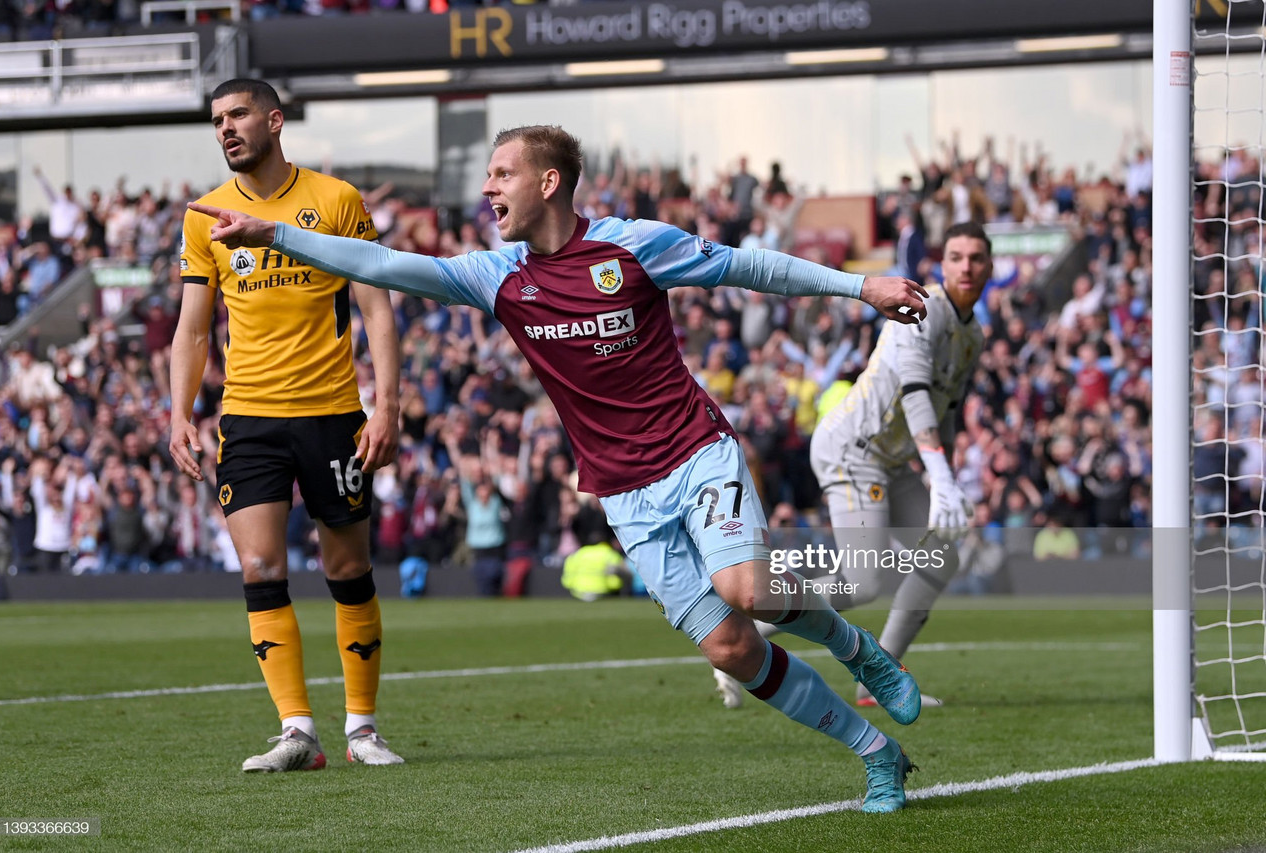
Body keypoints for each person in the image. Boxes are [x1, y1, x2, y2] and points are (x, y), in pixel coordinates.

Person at [188, 125, 930, 812]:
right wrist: (277, 233)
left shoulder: (634, 247)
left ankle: (854, 648)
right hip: (625, 491)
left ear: (549, 181)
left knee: (748, 589)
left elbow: (749, 267)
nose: (488, 189)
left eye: (501, 173)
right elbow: (382, 264)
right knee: (732, 648)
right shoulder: (497, 274)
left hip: (696, 451)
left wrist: (861, 286)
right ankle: (876, 753)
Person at [169, 78, 404, 773]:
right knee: (260, 565)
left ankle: (363, 726)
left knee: (348, 565)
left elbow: (378, 306)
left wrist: (386, 403)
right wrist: (178, 414)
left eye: (237, 115)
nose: (225, 129)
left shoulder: (335, 200)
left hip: (332, 413)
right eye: (216, 120)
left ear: (274, 120)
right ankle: (297, 730)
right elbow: (191, 328)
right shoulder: (202, 214)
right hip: (247, 418)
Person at [776, 221, 990, 710]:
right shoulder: (925, 309)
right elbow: (916, 395)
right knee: (862, 582)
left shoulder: (972, 334)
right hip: (853, 449)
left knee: (943, 554)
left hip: (891, 461)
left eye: (976, 258)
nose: (967, 266)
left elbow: (947, 414)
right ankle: (751, 618)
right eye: (957, 256)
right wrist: (938, 477)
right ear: (942, 264)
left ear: (990, 267)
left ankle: (881, 677)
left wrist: (947, 485)